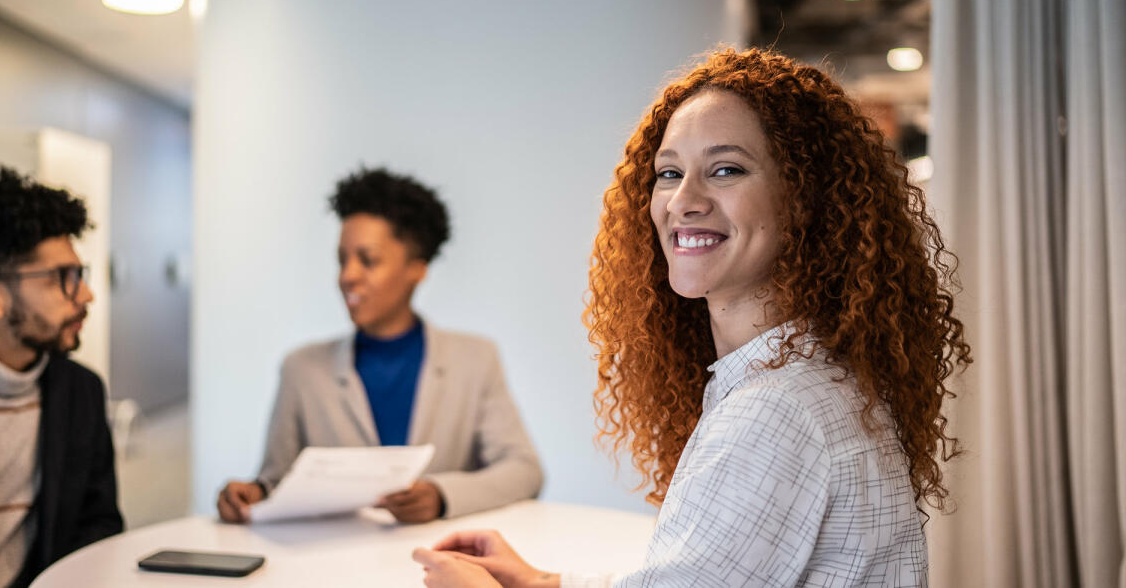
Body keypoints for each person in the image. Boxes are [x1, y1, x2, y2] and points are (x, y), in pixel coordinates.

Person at [411, 48, 971, 586]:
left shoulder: (773, 413)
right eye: (669, 173)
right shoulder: (802, 380)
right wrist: (543, 583)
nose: (684, 200)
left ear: (803, 199)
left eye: (726, 170)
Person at [217, 167, 543, 524]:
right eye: (342, 259)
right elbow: (277, 480)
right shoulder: (301, 369)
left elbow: (524, 470)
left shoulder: (476, 359)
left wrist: (441, 496)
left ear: (416, 270)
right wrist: (254, 493)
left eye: (367, 260)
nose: (347, 276)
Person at [0, 168, 123, 588]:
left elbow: (100, 523)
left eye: (80, 274)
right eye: (61, 279)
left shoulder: (81, 390)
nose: (85, 295)